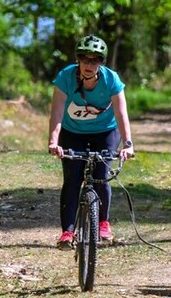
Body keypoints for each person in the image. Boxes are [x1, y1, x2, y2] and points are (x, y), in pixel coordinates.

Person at [48, 34, 134, 250]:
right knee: (72, 179)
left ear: (101, 63)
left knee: (101, 176)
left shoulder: (111, 80)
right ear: (78, 60)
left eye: (95, 60)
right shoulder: (65, 77)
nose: (89, 64)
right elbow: (57, 112)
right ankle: (67, 232)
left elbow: (121, 113)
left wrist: (128, 144)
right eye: (85, 59)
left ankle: (103, 222)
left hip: (105, 132)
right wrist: (53, 141)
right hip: (72, 132)